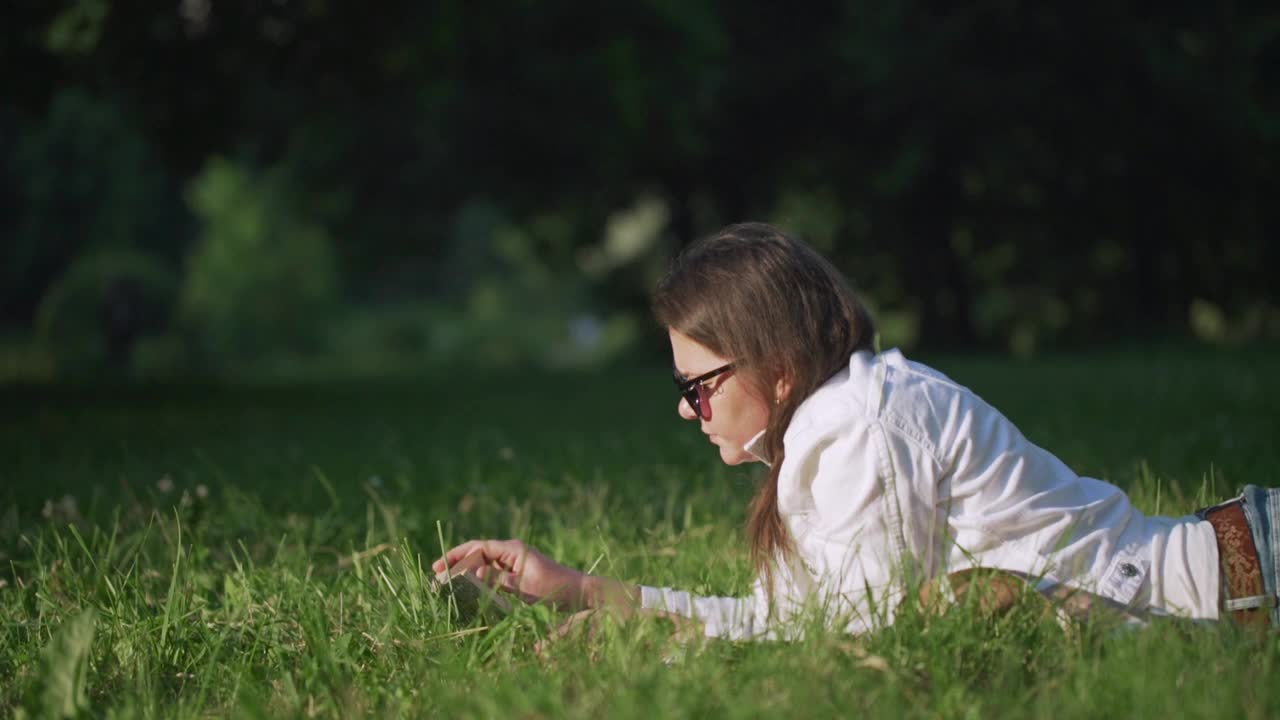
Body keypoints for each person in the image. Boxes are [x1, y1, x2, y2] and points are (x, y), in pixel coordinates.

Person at [433, 222, 1280, 640]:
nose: (686, 408)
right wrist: (580, 590)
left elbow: (848, 648)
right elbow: (786, 627)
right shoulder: (829, 430)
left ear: (778, 364)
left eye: (698, 386)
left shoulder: (857, 425)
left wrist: (638, 646)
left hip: (1246, 588)